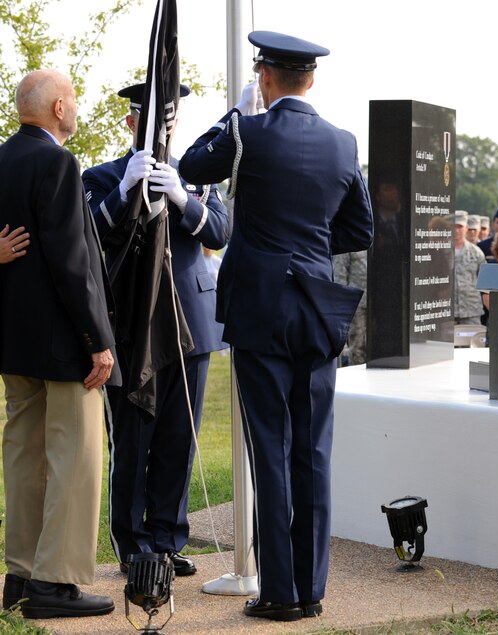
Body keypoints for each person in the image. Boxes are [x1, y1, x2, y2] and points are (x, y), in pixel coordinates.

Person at [178, 31, 373, 622]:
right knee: (313, 449)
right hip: (315, 308)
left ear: (264, 78)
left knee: (271, 446)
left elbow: (191, 165)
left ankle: (281, 592)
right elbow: (358, 230)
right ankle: (311, 589)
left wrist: (233, 116)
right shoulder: (343, 143)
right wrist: (309, 249)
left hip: (260, 308)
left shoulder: (249, 132)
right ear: (310, 80)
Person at [82, 82, 229, 578]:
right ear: (129, 122)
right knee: (133, 439)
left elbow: (220, 232)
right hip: (131, 325)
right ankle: (133, 543)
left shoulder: (194, 176)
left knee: (177, 439)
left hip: (190, 321)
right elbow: (89, 236)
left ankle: (167, 538)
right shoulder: (101, 175)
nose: (159, 128)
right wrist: (125, 192)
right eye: (148, 119)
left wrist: (183, 200)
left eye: (167, 119)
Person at [0, 69, 116, 618]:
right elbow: (73, 264)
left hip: (12, 344)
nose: (75, 109)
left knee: (24, 456)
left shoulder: (1, 159)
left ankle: (20, 575)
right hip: (65, 344)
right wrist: (97, 341)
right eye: (73, 101)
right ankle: (55, 584)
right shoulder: (58, 163)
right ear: (58, 108)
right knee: (75, 459)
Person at [452, 211, 485, 324]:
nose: (456, 230)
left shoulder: (476, 253)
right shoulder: (440, 251)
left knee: (473, 341)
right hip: (447, 311)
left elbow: (484, 281)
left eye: (460, 227)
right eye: (454, 227)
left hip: (471, 310)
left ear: (466, 228)